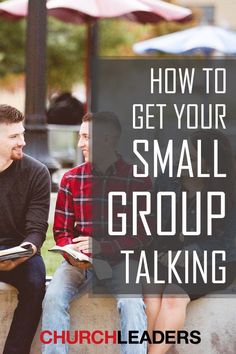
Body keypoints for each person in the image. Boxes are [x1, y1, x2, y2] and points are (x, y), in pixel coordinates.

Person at [42, 111, 152, 354]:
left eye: (85, 137)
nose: (80, 143)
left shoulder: (138, 179)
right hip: (78, 264)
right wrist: (70, 250)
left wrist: (103, 247)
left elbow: (143, 235)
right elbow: (61, 230)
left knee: (132, 302)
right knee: (52, 298)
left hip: (121, 261)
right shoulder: (71, 179)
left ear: (108, 139)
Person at [144, 129, 236, 354]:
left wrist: (191, 253)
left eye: (191, 157)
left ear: (208, 163)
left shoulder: (228, 191)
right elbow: (153, 222)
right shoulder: (168, 179)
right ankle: (145, 349)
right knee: (150, 285)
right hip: (171, 254)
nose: (182, 159)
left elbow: (228, 244)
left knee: (174, 296)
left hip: (214, 261)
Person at [0, 104, 51, 354]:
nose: (22, 142)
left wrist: (25, 251)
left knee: (35, 283)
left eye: (22, 134)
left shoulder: (36, 172)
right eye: (13, 136)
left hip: (20, 250)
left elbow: (37, 229)